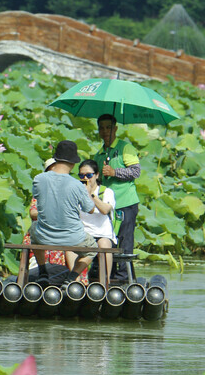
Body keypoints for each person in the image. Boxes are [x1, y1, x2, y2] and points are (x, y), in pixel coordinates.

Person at [30, 140, 111, 276]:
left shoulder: (38, 179)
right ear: (73, 164)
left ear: (55, 159)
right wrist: (87, 192)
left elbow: (39, 200)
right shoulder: (77, 185)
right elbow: (90, 209)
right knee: (92, 249)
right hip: (72, 237)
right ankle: (72, 277)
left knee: (33, 230)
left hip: (44, 235)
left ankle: (43, 272)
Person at [92, 113, 140, 280]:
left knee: (125, 240)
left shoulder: (125, 148)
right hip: (106, 205)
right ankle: (108, 273)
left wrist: (114, 172)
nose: (105, 131)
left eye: (108, 127)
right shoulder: (99, 154)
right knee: (107, 239)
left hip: (125, 202)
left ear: (116, 129)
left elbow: (136, 171)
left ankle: (124, 276)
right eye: (102, 128)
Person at [77, 158, 116, 276]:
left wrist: (90, 195)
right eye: (82, 175)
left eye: (89, 175)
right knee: (70, 244)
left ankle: (105, 283)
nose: (85, 179)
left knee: (103, 244)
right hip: (83, 235)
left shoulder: (106, 192)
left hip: (102, 235)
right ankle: (75, 282)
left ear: (97, 175)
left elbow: (105, 210)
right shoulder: (76, 192)